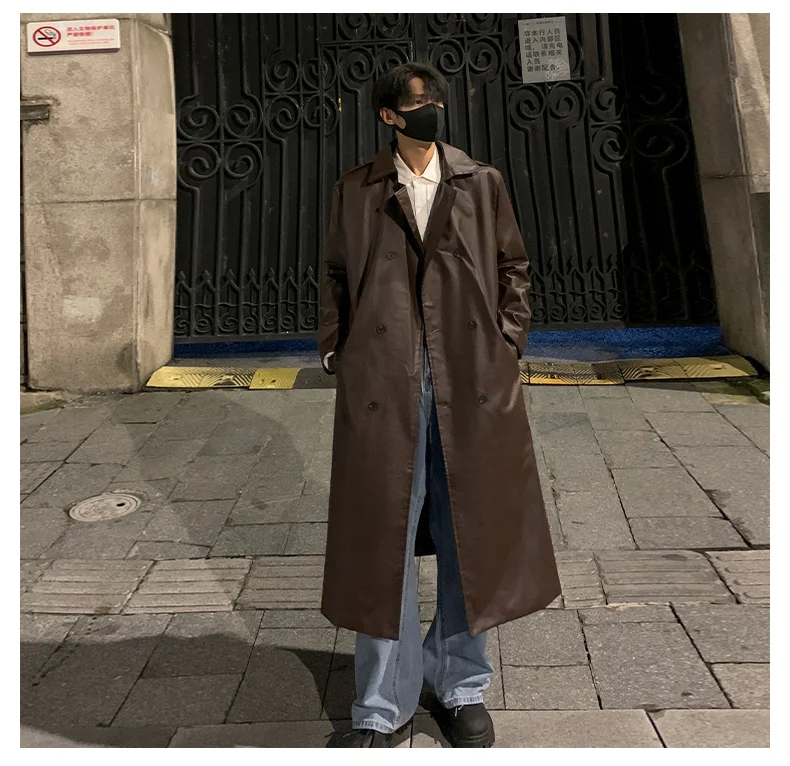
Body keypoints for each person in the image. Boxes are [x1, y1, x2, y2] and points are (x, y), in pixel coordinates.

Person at [318, 61, 561, 748]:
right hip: (383, 384)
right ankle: (379, 704)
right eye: (416, 103)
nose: (430, 110)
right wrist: (338, 349)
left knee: (471, 535)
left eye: (435, 100)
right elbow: (335, 273)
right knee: (382, 541)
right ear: (388, 115)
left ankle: (461, 684)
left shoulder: (480, 180)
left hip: (472, 377)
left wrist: (508, 341)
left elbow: (513, 265)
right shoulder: (356, 188)